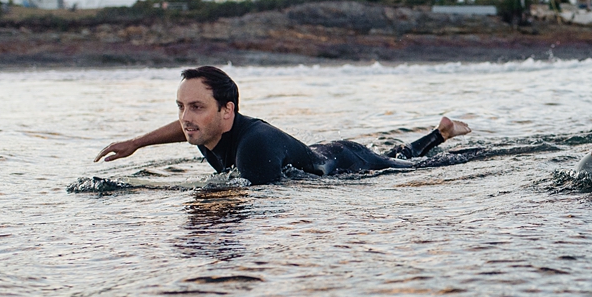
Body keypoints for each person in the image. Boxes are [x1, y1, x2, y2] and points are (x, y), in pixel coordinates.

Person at [95, 66, 470, 185]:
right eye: (180, 106)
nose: (185, 117)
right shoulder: (209, 125)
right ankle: (441, 132)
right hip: (324, 151)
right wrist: (136, 143)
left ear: (228, 111)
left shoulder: (253, 147)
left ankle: (442, 138)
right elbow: (188, 129)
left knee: (412, 168)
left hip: (346, 162)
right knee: (394, 156)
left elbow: (261, 197)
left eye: (196, 106)